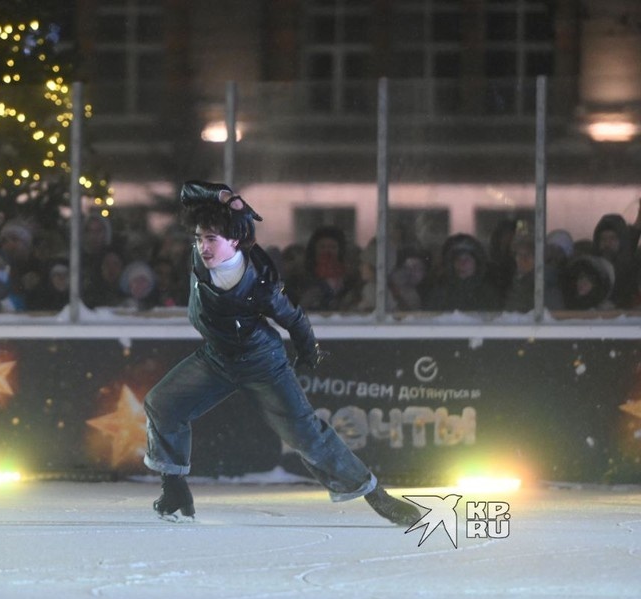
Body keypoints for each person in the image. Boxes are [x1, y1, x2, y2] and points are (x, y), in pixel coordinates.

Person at [143, 180, 421, 527]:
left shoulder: (260, 284)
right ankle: (174, 490)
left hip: (262, 363)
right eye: (199, 239)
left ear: (234, 240)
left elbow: (293, 318)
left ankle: (376, 496)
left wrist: (308, 350)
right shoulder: (202, 258)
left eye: (211, 239)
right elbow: (188, 192)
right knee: (162, 403)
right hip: (217, 357)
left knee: (306, 434)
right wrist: (226, 197)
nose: (203, 247)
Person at [425, 233, 501, 312]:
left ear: (477, 263)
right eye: (458, 259)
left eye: (467, 259)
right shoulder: (440, 294)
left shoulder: (488, 294)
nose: (462, 264)